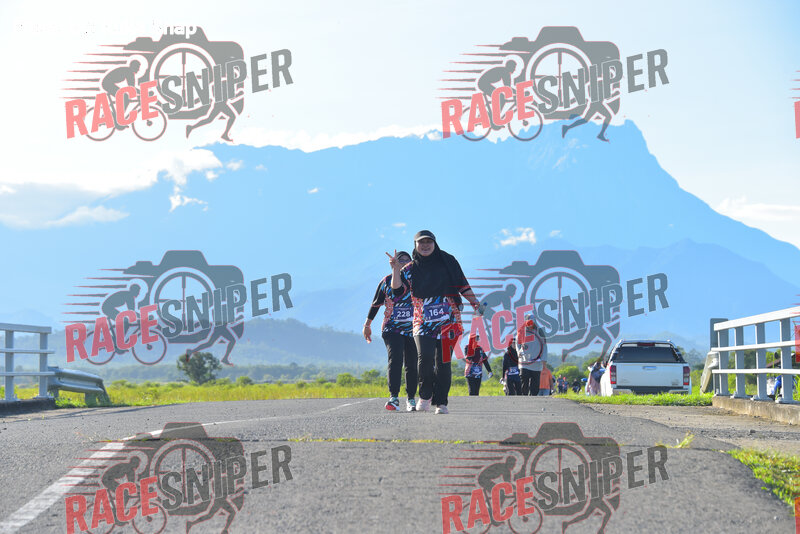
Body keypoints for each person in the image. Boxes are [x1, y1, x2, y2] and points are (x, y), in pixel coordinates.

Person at [389, 230, 482, 414]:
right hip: (422, 322)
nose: (425, 245)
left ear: (435, 243)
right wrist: (395, 270)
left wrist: (475, 303)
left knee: (443, 363)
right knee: (424, 358)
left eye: (428, 242)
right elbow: (397, 291)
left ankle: (441, 403)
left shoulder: (448, 262)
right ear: (415, 245)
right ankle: (425, 396)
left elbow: (462, 285)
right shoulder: (410, 268)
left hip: (449, 321)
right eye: (421, 242)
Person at [364, 251, 418, 411]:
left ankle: (411, 399)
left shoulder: (417, 281)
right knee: (395, 359)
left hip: (413, 328)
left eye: (408, 260)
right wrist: (367, 325)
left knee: (412, 363)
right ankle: (393, 397)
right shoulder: (386, 281)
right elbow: (376, 304)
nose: (404, 263)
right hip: (391, 327)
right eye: (401, 260)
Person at [516, 316, 547, 396]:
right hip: (524, 361)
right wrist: (518, 351)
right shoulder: (521, 331)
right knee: (524, 379)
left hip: (536, 362)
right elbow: (517, 344)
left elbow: (544, 345)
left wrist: (543, 359)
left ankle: (533, 397)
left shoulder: (540, 332)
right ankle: (524, 396)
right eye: (528, 324)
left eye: (531, 324)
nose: (530, 326)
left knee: (535, 384)